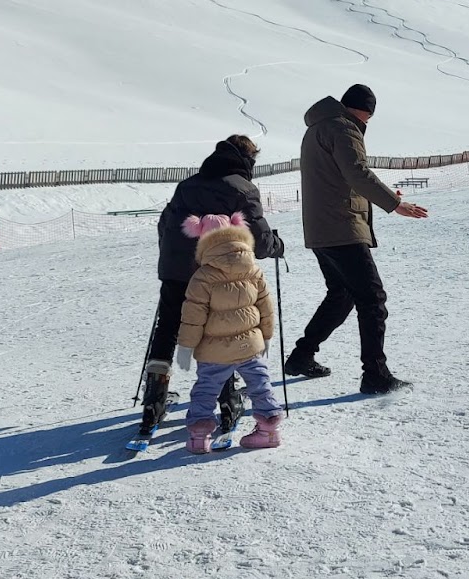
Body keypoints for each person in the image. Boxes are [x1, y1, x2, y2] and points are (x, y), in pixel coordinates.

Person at [136, 135, 283, 442]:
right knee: (223, 329)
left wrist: (172, 258)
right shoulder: (243, 188)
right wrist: (277, 245)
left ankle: (154, 398)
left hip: (176, 270)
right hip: (218, 275)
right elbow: (262, 241)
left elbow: (165, 224)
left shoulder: (187, 185)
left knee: (168, 328)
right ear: (247, 160)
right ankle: (228, 400)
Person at [288, 84, 427, 394]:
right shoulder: (344, 128)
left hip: (322, 228)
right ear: (362, 110)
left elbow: (339, 179)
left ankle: (301, 356)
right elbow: (357, 174)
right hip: (341, 228)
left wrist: (383, 195)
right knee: (372, 299)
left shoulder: (318, 128)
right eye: (369, 114)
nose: (369, 121)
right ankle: (375, 374)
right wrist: (395, 203)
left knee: (342, 294)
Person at [176, 212, 282, 453]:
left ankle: (198, 437)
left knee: (205, 390)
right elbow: (265, 306)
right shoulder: (253, 268)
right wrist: (266, 336)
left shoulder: (202, 276)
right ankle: (270, 430)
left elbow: (193, 317)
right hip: (250, 345)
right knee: (260, 384)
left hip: (215, 351)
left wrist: (186, 347)